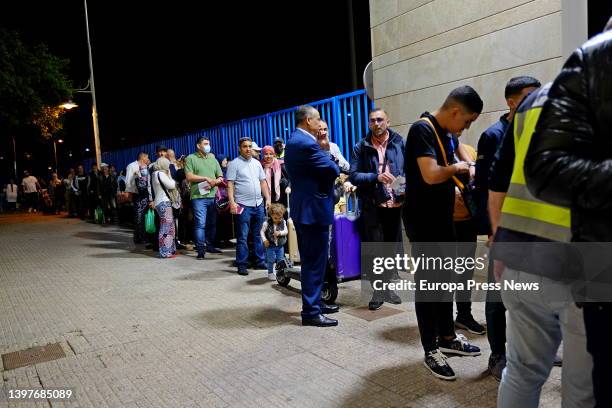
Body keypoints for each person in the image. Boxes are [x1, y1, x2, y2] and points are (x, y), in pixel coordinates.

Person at [523, 25, 612, 407]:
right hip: (571, 255)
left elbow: (502, 189)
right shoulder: (591, 64)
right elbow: (537, 172)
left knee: (530, 366)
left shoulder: (524, 113)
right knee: (578, 382)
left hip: (547, 252)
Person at [403, 85, 483, 380]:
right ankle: (431, 349)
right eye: (467, 121)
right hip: (423, 222)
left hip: (442, 218)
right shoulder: (421, 130)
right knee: (428, 286)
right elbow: (431, 173)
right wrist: (459, 167)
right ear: (455, 112)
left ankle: (448, 339)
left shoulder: (446, 130)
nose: (466, 128)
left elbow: (458, 151)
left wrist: (467, 163)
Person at [475, 76, 541, 380]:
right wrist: (492, 230)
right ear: (511, 101)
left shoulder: (537, 131)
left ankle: (530, 351)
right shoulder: (493, 135)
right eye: (531, 96)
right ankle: (497, 354)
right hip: (504, 229)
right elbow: (485, 188)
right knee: (497, 296)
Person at [284, 105, 340, 327]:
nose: (321, 124)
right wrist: (328, 156)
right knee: (314, 262)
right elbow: (332, 169)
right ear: (308, 120)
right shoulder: (306, 143)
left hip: (306, 207)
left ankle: (315, 303)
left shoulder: (295, 140)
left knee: (313, 260)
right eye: (318, 120)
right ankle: (311, 312)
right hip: (313, 210)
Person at [349, 108, 404, 310]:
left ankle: (387, 288)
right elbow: (353, 175)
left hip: (395, 203)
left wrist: (402, 183)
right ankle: (378, 291)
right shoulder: (360, 147)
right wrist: (376, 177)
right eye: (372, 120)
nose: (376, 123)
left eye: (380, 120)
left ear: (387, 122)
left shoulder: (399, 142)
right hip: (373, 205)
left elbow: (408, 169)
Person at [227, 137, 270, 275]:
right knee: (242, 237)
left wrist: (267, 198)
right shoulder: (234, 164)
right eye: (245, 146)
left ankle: (259, 262)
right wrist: (232, 202)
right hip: (243, 205)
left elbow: (263, 182)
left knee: (258, 235)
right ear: (240, 148)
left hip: (258, 204)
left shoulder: (257, 163)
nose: (248, 149)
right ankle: (242, 264)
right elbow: (230, 184)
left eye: (250, 146)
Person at [184, 136, 224, 259]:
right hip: (198, 196)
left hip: (212, 196)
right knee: (200, 224)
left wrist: (215, 181)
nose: (208, 146)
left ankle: (210, 245)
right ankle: (201, 249)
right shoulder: (191, 158)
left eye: (208, 144)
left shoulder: (213, 159)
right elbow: (189, 177)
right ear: (198, 145)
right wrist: (205, 178)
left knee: (212, 223)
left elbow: (221, 177)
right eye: (205, 143)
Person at [151, 157, 178, 258]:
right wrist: (169, 175)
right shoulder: (161, 174)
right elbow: (172, 185)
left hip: (159, 202)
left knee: (169, 227)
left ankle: (170, 249)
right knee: (166, 228)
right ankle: (165, 252)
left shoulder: (154, 174)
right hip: (164, 202)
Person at [125, 152, 151, 244]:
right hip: (137, 194)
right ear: (143, 157)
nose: (148, 159)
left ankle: (143, 235)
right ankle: (139, 237)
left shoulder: (147, 166)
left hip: (146, 193)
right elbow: (128, 181)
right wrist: (129, 192)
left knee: (145, 215)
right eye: (147, 157)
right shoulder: (132, 166)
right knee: (139, 216)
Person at [261, 203, 288, 280]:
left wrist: (280, 233)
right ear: (271, 215)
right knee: (271, 260)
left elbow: (286, 231)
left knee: (280, 260)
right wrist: (265, 240)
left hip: (280, 246)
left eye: (280, 218)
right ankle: (270, 272)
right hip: (271, 246)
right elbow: (262, 232)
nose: (278, 220)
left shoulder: (283, 222)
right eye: (275, 218)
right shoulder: (266, 223)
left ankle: (280, 273)